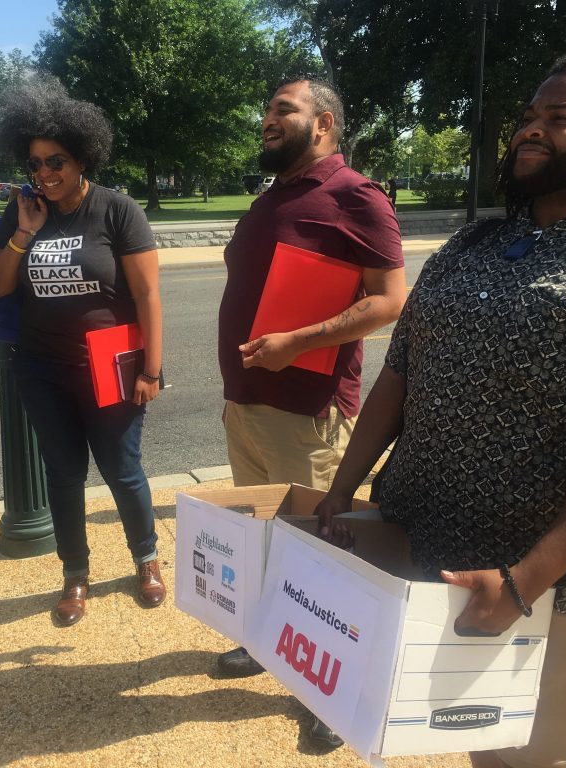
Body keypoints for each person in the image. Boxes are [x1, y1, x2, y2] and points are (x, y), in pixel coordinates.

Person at [315, 32, 566, 768]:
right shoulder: (473, 244)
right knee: (468, 742)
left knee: (524, 758)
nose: (532, 127)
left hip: (560, 584)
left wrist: (522, 582)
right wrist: (341, 490)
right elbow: (401, 373)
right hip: (440, 543)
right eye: (530, 113)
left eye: (561, 117)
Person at [216, 78, 406, 747]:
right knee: (268, 543)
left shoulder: (356, 195)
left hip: (309, 413)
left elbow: (389, 301)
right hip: (248, 409)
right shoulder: (274, 198)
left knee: (326, 558)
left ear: (323, 123)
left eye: (282, 111)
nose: (267, 119)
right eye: (266, 109)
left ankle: (335, 690)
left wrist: (296, 341)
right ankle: (268, 644)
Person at [0, 74, 165, 627]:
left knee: (123, 469)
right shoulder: (25, 210)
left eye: (55, 161)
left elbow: (148, 294)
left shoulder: (117, 210)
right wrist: (23, 233)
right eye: (34, 164)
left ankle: (146, 558)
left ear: (83, 157)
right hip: (41, 367)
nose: (45, 174)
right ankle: (75, 574)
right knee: (63, 474)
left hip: (110, 365)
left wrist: (151, 368)